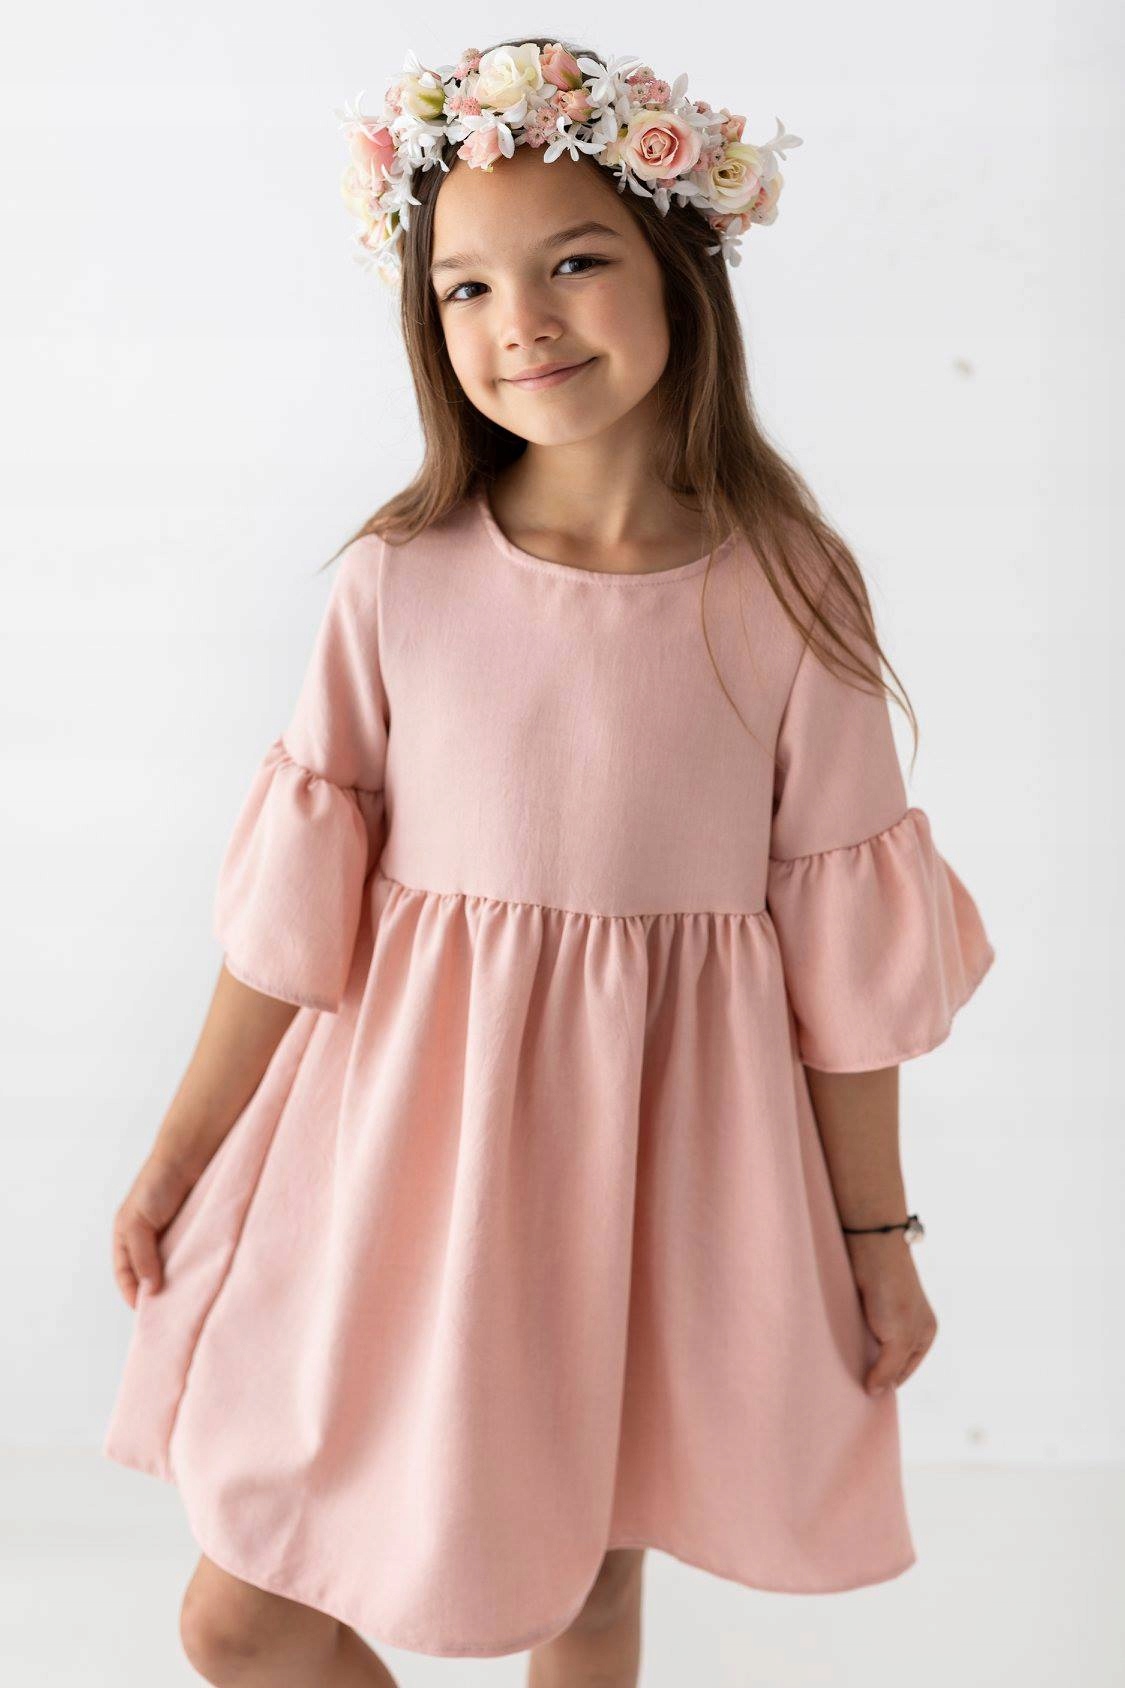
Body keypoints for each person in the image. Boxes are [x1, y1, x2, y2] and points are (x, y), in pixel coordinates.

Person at [102, 35, 996, 1688]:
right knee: (242, 1620)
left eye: (574, 263)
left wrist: (878, 1244)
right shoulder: (399, 582)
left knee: (589, 1584)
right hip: (392, 1177)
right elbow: (288, 926)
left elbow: (846, 977)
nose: (519, 320)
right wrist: (177, 1156)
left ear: (678, 268)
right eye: (465, 287)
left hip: (654, 1173)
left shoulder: (789, 591)